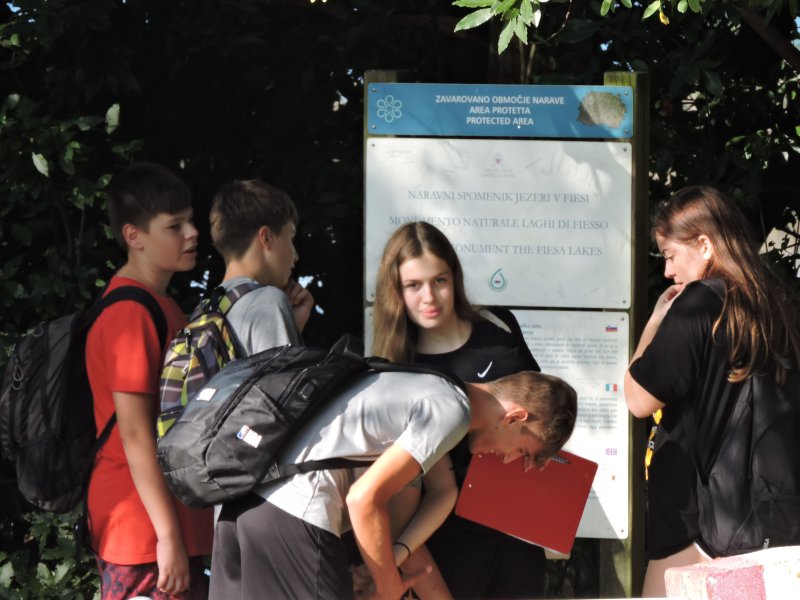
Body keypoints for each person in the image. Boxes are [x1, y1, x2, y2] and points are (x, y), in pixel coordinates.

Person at [210, 366, 578, 600]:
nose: (510, 460)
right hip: (295, 514)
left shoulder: (430, 383)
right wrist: (387, 585)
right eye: (524, 452)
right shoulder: (451, 411)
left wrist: (393, 560)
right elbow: (363, 499)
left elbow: (442, 493)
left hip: (245, 508)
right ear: (515, 417)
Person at [624, 186, 800, 597]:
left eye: (670, 255)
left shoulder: (699, 303)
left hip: (697, 523)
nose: (667, 271)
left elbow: (638, 399)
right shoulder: (776, 302)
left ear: (704, 245)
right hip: (769, 516)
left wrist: (656, 320)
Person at [371, 221, 548, 599]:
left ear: (455, 277)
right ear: (395, 291)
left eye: (439, 280)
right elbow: (406, 493)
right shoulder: (399, 369)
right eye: (413, 285)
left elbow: (543, 408)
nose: (429, 297)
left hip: (521, 524)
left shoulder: (499, 324)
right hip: (449, 537)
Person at [86, 162, 213, 599]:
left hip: (161, 528)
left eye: (190, 221)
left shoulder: (159, 304)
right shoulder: (130, 313)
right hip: (143, 535)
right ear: (134, 236)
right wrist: (168, 536)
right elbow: (135, 434)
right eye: (174, 226)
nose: (192, 233)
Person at [206, 179, 314, 355]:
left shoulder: (206, 310)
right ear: (266, 238)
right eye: (291, 238)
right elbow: (281, 374)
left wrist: (292, 327)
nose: (295, 255)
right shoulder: (267, 302)